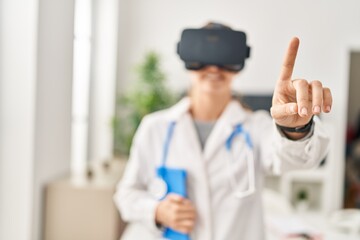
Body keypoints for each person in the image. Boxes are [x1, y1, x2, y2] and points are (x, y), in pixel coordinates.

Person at [113, 22, 332, 240]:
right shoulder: (155, 128)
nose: (214, 68)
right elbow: (126, 195)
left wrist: (294, 126)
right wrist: (157, 211)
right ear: (185, 55)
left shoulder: (256, 127)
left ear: (240, 60)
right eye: (202, 56)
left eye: (225, 58)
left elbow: (294, 158)